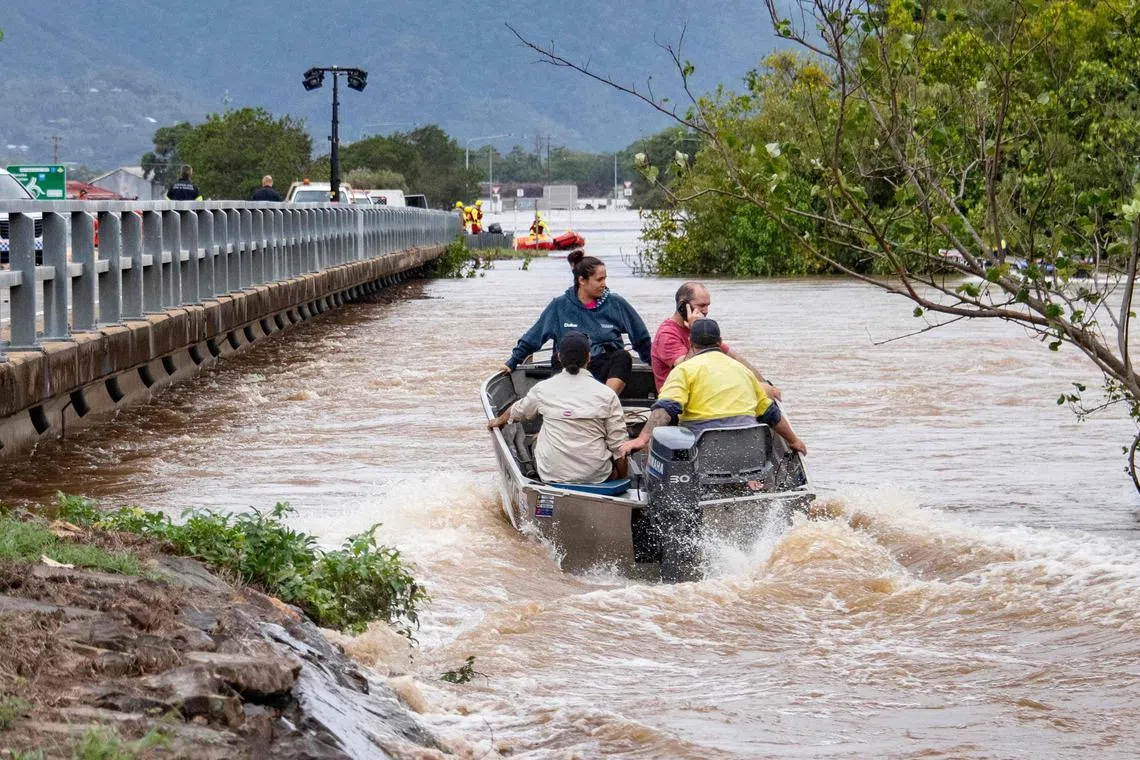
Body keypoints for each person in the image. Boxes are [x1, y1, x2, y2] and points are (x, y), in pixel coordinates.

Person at [619, 318, 806, 457]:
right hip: (750, 454)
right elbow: (771, 413)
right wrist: (794, 441)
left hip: (703, 456)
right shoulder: (742, 370)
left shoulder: (684, 370)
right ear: (719, 341)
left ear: (691, 342)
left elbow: (665, 410)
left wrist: (642, 440)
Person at [503, 251, 651, 394]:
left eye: (605, 279)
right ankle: (564, 401)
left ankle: (605, 402)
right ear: (582, 280)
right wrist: (512, 362)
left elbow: (641, 339)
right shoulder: (559, 305)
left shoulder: (616, 304)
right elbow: (533, 338)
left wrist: (655, 365)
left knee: (623, 356)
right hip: (569, 369)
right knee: (557, 357)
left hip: (603, 369)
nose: (604, 284)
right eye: (599, 280)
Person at [489, 333, 628, 484]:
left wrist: (499, 420)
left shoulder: (543, 389)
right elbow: (619, 448)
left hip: (551, 475)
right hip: (596, 477)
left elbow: (517, 411)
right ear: (589, 357)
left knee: (539, 437)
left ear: (559, 357)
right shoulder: (607, 394)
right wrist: (621, 477)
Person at [651, 281, 782, 400]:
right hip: (678, 399)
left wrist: (764, 382)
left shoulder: (701, 327)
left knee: (766, 391)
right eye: (701, 305)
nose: (706, 311)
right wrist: (694, 330)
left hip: (703, 390)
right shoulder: (667, 334)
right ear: (682, 306)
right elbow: (686, 369)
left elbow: (734, 356)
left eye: (707, 305)